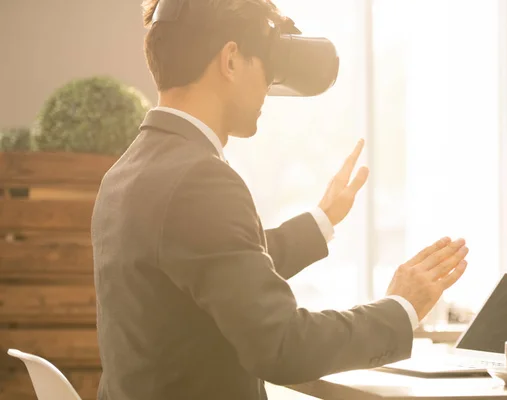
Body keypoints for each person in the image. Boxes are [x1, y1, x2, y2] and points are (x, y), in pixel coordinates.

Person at [90, 0, 470, 399]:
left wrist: (322, 220)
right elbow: (282, 346)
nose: (269, 88)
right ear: (232, 60)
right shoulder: (200, 180)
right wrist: (401, 308)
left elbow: (216, 264)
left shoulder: (127, 173)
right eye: (265, 68)